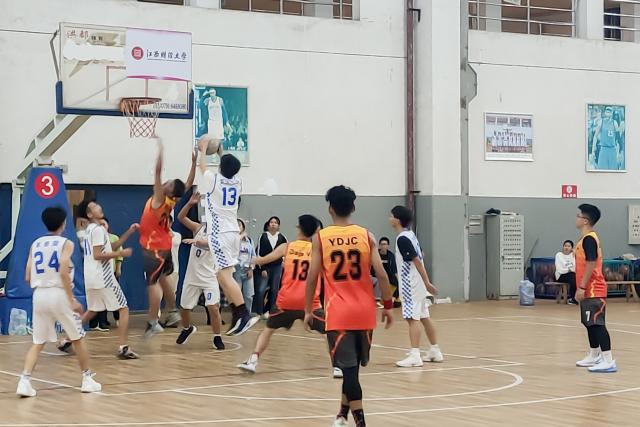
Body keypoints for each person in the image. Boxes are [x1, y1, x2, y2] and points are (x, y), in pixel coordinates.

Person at [305, 185, 394, 427]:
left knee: (350, 372)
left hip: (339, 313)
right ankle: (341, 415)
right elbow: (382, 275)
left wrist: (308, 310)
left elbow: (312, 278)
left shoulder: (320, 238)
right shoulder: (367, 235)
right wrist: (388, 306)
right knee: (352, 370)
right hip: (365, 312)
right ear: (353, 207)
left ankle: (361, 423)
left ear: (330, 209)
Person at [16, 207, 102, 397]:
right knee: (77, 338)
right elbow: (63, 269)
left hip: (39, 294)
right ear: (63, 223)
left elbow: (28, 276)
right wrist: (72, 300)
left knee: (38, 342)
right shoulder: (66, 243)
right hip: (59, 293)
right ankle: (87, 379)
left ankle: (24, 381)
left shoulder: (36, 244)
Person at [238, 214, 328, 374]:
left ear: (300, 229)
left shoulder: (287, 246)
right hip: (310, 302)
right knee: (329, 333)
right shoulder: (319, 251)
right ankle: (338, 366)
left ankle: (253, 360)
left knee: (268, 330)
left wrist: (243, 257)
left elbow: (262, 260)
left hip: (287, 300)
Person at [197, 136, 258, 336]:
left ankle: (244, 314)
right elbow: (227, 168)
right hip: (233, 232)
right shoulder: (238, 182)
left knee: (223, 275)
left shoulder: (213, 180)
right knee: (223, 275)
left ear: (221, 167)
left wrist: (203, 149)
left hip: (220, 234)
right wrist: (220, 151)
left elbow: (203, 166)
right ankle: (238, 314)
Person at [139, 138, 196, 338]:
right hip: (164, 244)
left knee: (153, 283)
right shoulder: (172, 200)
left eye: (169, 183)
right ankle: (173, 311)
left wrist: (161, 148)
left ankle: (153, 322)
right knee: (163, 278)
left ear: (168, 190)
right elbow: (187, 185)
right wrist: (193, 163)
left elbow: (157, 171)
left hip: (154, 247)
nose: (166, 182)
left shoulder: (160, 198)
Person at [75, 200, 139, 359]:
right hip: (103, 277)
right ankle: (123, 347)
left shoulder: (90, 230)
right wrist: (120, 254)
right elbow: (98, 255)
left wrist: (129, 232)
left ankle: (68, 339)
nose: (99, 207)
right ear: (89, 214)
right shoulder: (97, 230)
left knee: (92, 310)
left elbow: (112, 246)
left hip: (91, 277)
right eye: (94, 206)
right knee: (123, 308)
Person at [388, 206, 443, 367]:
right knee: (424, 316)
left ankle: (415, 355)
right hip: (417, 284)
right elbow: (420, 256)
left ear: (397, 219)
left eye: (391, 216)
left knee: (412, 319)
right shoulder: (411, 235)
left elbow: (417, 261)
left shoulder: (402, 239)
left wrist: (427, 282)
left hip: (410, 284)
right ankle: (435, 350)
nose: (389, 218)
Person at [175, 192, 225, 350]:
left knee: (213, 307)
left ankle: (217, 337)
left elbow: (209, 245)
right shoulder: (199, 228)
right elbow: (181, 217)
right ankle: (187, 328)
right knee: (184, 308)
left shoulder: (220, 235)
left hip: (209, 277)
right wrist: (190, 203)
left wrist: (196, 241)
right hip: (192, 276)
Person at [574, 204, 616, 373]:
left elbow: (591, 263)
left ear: (585, 220)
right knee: (589, 323)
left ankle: (608, 360)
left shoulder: (589, 239)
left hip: (593, 289)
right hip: (587, 289)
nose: (576, 218)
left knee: (597, 324)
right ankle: (594, 354)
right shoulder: (584, 239)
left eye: (578, 215)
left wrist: (582, 286)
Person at [254, 216, 287, 318]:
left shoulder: (282, 237)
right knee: (261, 290)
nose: (273, 224)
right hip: (265, 267)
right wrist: (262, 268)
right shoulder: (263, 236)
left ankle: (271, 311)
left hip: (277, 267)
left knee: (274, 290)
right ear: (268, 225)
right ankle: (258, 312)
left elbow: (285, 251)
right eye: (271, 222)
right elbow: (259, 253)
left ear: (278, 226)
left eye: (275, 223)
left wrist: (283, 262)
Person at [234, 218, 256, 311]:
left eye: (239, 224)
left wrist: (251, 268)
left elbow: (253, 255)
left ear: (243, 227)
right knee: (236, 294)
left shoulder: (249, 240)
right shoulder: (233, 239)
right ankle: (238, 314)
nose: (238, 226)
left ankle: (247, 314)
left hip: (247, 269)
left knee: (248, 295)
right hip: (237, 269)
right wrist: (240, 236)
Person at [371, 237, 399, 306]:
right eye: (382, 244)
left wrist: (398, 279)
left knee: (395, 280)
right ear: (379, 245)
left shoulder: (391, 256)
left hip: (388, 275)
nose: (383, 246)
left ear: (388, 246)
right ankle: (378, 300)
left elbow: (394, 270)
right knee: (378, 280)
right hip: (376, 274)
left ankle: (393, 299)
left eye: (385, 244)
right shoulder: (376, 254)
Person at [555, 240, 577, 305]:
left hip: (571, 274)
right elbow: (559, 269)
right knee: (572, 276)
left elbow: (575, 268)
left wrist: (575, 254)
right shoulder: (559, 255)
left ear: (572, 248)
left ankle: (575, 298)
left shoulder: (573, 255)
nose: (566, 247)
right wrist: (568, 270)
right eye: (565, 246)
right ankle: (572, 298)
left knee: (574, 276)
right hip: (560, 276)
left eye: (569, 246)